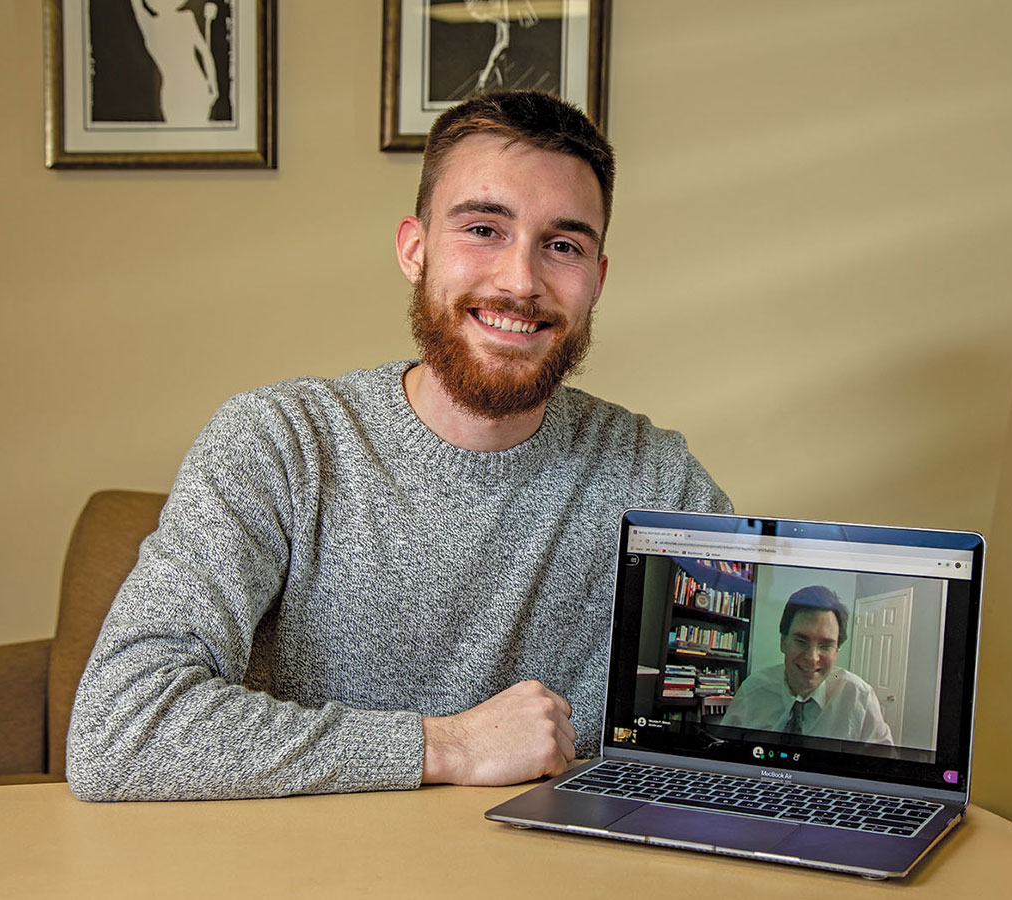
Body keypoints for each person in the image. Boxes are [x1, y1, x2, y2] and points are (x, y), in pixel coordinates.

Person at [66, 90, 731, 801]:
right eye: (483, 229)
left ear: (596, 281)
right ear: (415, 251)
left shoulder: (655, 477)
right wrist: (450, 745)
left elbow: (742, 710)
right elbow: (120, 728)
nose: (519, 282)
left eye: (562, 245)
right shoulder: (279, 444)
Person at [720, 586, 893, 745]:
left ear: (837, 651)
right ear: (783, 642)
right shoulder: (752, 692)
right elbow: (721, 755)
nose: (812, 658)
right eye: (801, 641)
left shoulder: (859, 699)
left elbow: (885, 772)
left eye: (826, 646)